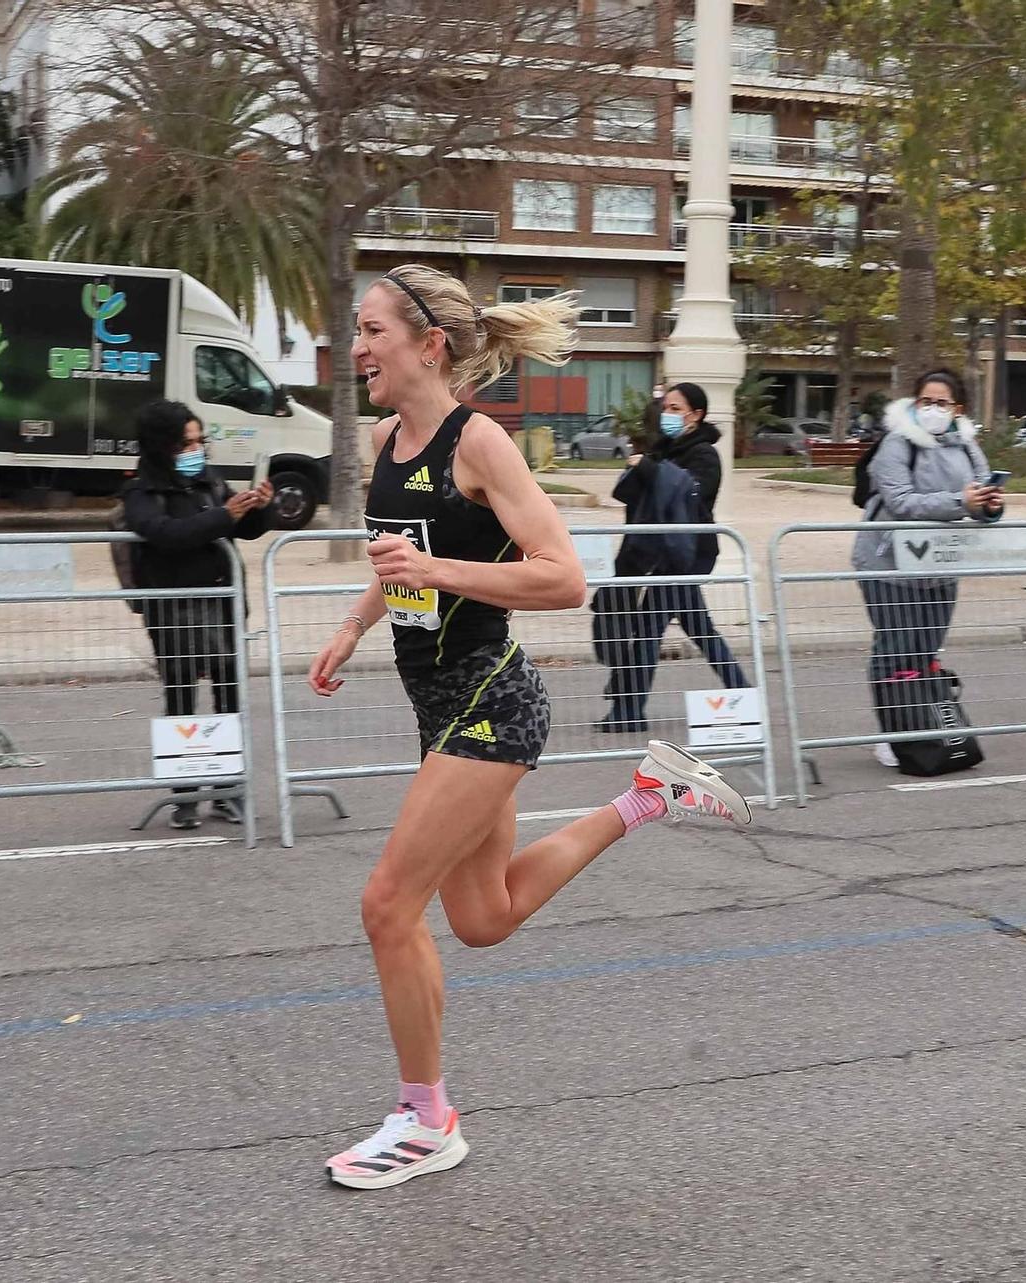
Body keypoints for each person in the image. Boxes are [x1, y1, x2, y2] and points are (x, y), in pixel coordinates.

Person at [306, 264, 751, 1190]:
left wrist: (441, 569)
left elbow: (562, 576)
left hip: (492, 698)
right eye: (356, 329)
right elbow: (399, 565)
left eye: (373, 329)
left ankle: (425, 1118)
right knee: (484, 918)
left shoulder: (481, 446)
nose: (357, 348)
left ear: (429, 344)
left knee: (389, 904)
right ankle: (648, 796)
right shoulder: (387, 438)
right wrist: (353, 626)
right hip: (439, 702)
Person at [119, 401, 274, 829]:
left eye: (200, 441)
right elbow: (166, 535)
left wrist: (259, 507)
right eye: (188, 443)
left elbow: (243, 528)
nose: (197, 449)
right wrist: (225, 515)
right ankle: (184, 796)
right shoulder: (141, 491)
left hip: (222, 606)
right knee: (181, 697)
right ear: (163, 446)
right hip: (173, 611)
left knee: (229, 696)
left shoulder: (208, 481)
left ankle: (228, 793)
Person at [852, 369, 1002, 768]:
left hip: (940, 564)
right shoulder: (898, 443)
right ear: (914, 403)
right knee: (895, 647)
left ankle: (917, 726)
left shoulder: (967, 445)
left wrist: (990, 506)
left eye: (943, 403)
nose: (933, 409)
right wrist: (960, 502)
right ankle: (891, 734)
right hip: (888, 562)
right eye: (926, 401)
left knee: (925, 650)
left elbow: (980, 494)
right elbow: (901, 501)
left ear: (958, 409)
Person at [597, 382, 749, 731]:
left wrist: (648, 469)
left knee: (650, 629)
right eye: (666, 407)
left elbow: (691, 494)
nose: (668, 414)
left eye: (676, 409)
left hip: (684, 556)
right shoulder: (665, 450)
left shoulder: (704, 454)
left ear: (696, 415)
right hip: (661, 554)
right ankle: (742, 695)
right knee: (701, 630)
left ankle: (628, 712)